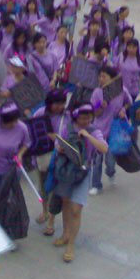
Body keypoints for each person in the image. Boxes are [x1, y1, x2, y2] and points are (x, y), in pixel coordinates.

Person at [52, 103, 108, 263]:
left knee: (76, 209)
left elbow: (104, 148)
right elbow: (58, 142)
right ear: (76, 117)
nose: (85, 121)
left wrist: (88, 136)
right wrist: (60, 148)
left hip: (83, 172)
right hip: (66, 170)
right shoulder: (68, 128)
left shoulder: (94, 131)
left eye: (88, 118)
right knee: (65, 202)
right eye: (82, 118)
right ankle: (65, 234)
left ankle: (71, 245)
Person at [32, 88, 70, 236]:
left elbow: (69, 135)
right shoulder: (39, 114)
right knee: (43, 187)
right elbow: (32, 133)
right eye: (57, 104)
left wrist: (56, 139)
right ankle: (45, 211)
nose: (60, 107)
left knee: (56, 190)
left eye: (62, 103)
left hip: (59, 158)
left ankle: (51, 222)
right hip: (42, 157)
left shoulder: (67, 116)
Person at [89, 66, 132, 195]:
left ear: (112, 78)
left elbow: (128, 102)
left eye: (104, 76)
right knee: (97, 160)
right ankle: (96, 185)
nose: (101, 79)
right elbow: (94, 112)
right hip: (99, 131)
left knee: (110, 161)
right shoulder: (97, 92)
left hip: (113, 131)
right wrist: (101, 106)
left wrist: (123, 110)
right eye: (100, 76)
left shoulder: (121, 90)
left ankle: (111, 172)